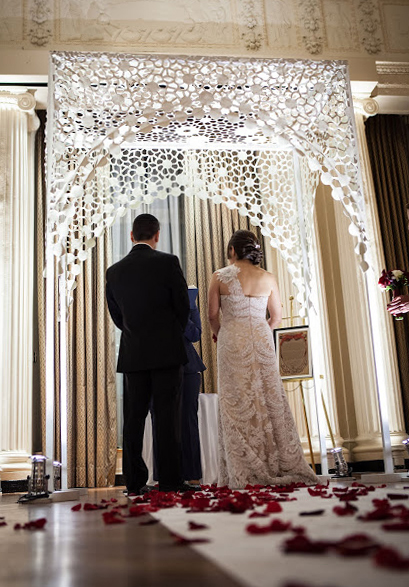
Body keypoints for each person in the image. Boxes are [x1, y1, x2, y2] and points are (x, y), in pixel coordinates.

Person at [208, 230, 318, 488]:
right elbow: (276, 317)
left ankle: (244, 467)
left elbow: (213, 315)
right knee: (268, 399)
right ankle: (277, 462)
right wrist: (261, 334)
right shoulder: (268, 277)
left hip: (232, 338)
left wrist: (220, 334)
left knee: (236, 402)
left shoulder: (220, 276)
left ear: (233, 251)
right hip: (261, 338)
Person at [106, 213, 190, 494]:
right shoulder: (168, 263)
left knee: (134, 420)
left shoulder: (114, 271)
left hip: (133, 354)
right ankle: (170, 481)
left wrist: (134, 333)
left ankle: (134, 482)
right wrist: (169, 333)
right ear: (157, 235)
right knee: (167, 419)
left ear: (132, 236)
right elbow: (182, 307)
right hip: (167, 352)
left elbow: (116, 315)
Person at [152, 287, 205, 488]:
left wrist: (182, 311)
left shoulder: (189, 303)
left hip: (188, 367)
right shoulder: (151, 300)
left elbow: (195, 334)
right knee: (161, 421)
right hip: (158, 366)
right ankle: (164, 476)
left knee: (188, 421)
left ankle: (192, 475)